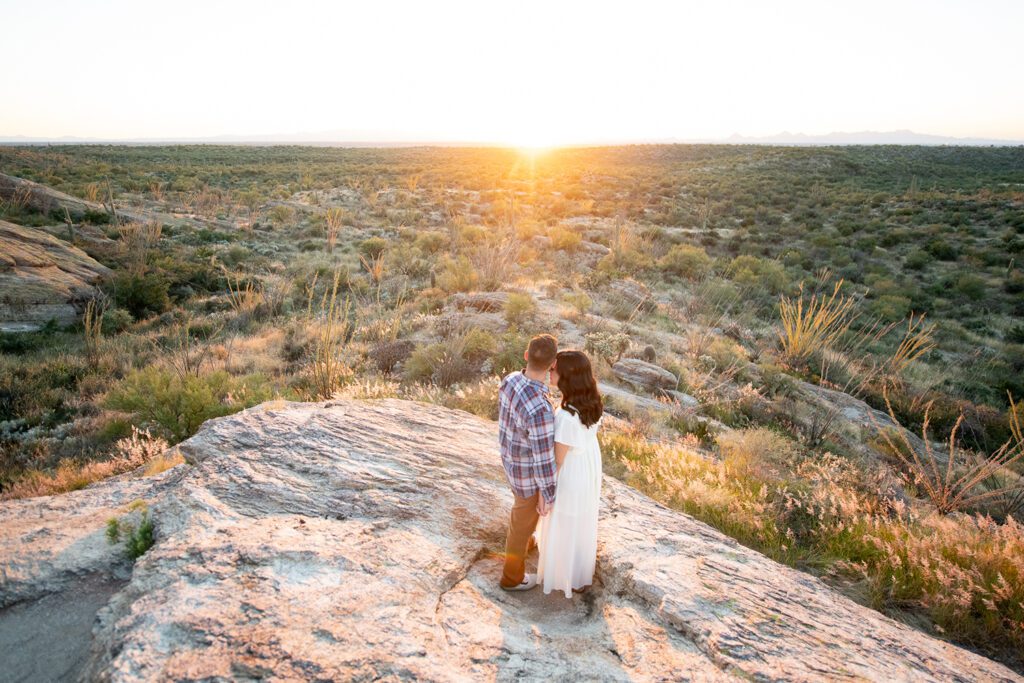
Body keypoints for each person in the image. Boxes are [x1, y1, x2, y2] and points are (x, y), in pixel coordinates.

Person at [535, 349, 603, 597]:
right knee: (580, 520)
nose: (549, 372)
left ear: (566, 376)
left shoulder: (566, 416)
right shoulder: (591, 403)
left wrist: (545, 492)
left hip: (571, 472)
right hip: (587, 466)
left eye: (553, 369)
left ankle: (561, 574)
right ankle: (578, 574)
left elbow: (557, 461)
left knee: (563, 521)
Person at [497, 333, 559, 591]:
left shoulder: (510, 379)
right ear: (553, 365)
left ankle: (524, 543)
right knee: (522, 519)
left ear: (526, 355)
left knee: (522, 515)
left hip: (510, 462)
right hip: (527, 475)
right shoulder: (541, 409)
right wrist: (549, 493)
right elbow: (544, 460)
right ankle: (511, 578)